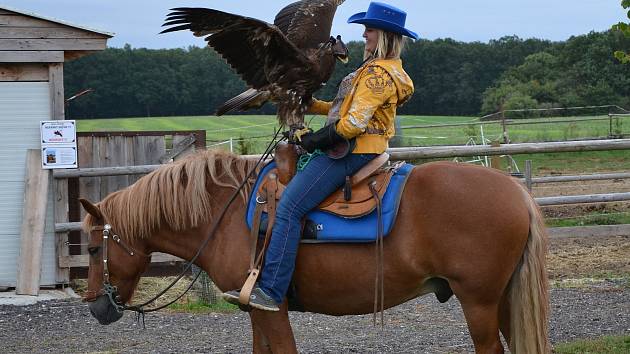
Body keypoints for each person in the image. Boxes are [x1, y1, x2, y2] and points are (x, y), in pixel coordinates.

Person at [223, 1, 417, 311]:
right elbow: (345, 110)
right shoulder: (377, 70)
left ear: (385, 35)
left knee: (288, 208)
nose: (364, 34)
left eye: (369, 29)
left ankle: (271, 291)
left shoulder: (377, 75)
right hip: (359, 149)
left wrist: (311, 141)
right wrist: (311, 105)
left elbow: (352, 124)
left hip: (353, 154)